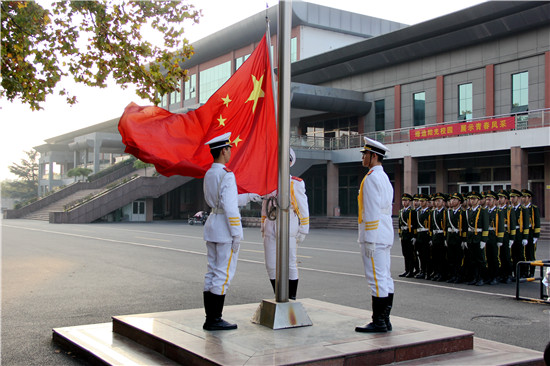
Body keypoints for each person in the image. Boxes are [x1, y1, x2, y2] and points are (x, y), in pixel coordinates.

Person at [201, 132, 261, 331]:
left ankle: (210, 318)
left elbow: (223, 201)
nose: (230, 152)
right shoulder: (227, 174)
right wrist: (237, 233)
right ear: (223, 150)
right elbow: (229, 206)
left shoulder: (210, 173)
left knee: (211, 272)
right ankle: (215, 319)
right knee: (223, 275)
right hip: (225, 230)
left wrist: (249, 196)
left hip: (212, 225)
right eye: (229, 149)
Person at [355, 137, 394, 333]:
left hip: (375, 234)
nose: (363, 157)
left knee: (376, 279)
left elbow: (370, 210)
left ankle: (378, 321)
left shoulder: (371, 178)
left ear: (374, 156)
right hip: (384, 232)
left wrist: (369, 239)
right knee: (385, 277)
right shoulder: (383, 176)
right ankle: (385, 320)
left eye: (365, 154)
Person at [261, 148, 309, 300]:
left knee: (290, 263)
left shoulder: (295, 183)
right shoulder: (268, 182)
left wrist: (303, 230)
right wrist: (263, 226)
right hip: (271, 225)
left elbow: (303, 207)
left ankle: (291, 297)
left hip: (289, 224)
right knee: (271, 264)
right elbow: (264, 207)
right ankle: (278, 295)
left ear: (290, 162)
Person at [465, 191, 489, 286]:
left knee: (480, 260)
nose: (472, 200)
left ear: (478, 201)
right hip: (471, 237)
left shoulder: (483, 211)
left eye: (474, 199)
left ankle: (482, 278)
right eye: (471, 199)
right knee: (472, 259)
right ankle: (474, 277)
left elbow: (485, 226)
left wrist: (484, 240)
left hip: (478, 237)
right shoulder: (469, 211)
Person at [485, 191, 504, 285]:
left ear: (495, 201)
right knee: (488, 257)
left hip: (494, 237)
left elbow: (500, 226)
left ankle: (496, 276)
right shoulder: (485, 211)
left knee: (495, 258)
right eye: (487, 199)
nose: (488, 201)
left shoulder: (498, 211)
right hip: (487, 237)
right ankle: (489, 276)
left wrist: (500, 239)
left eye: (490, 199)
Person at [446, 192, 465, 283]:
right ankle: (452, 275)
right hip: (450, 237)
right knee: (451, 258)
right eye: (452, 199)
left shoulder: (462, 213)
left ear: (459, 202)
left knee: (458, 258)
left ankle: (459, 276)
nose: (452, 201)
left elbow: (464, 227)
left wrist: (463, 240)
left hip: (458, 238)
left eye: (455, 200)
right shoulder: (449, 212)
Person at [510, 189, 529, 278]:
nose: (512, 199)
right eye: (511, 197)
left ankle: (523, 273)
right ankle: (515, 273)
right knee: (513, 255)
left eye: (513, 197)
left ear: (518, 198)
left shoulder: (523, 209)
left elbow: (526, 224)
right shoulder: (510, 209)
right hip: (512, 234)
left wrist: (525, 237)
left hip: (520, 234)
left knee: (521, 255)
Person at [521, 189, 540, 277]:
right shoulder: (522, 208)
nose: (523, 199)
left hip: (531, 233)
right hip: (524, 233)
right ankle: (524, 271)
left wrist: (536, 236)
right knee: (524, 253)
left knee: (531, 254)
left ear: (529, 198)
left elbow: (537, 222)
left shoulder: (533, 208)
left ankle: (531, 272)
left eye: (525, 197)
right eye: (522, 197)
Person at [497, 189, 515, 283]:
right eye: (499, 198)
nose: (499, 200)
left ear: (506, 199)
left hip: (506, 234)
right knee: (500, 256)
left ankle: (508, 274)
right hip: (498, 234)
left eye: (501, 198)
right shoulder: (497, 209)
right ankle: (501, 274)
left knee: (507, 256)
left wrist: (512, 238)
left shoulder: (509, 210)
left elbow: (512, 224)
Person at [398, 193, 417, 278]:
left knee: (410, 253)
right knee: (405, 253)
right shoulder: (401, 211)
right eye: (403, 200)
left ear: (409, 201)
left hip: (409, 235)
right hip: (404, 234)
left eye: (406, 200)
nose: (404, 202)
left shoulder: (412, 212)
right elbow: (400, 224)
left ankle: (411, 270)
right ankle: (407, 270)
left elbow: (415, 224)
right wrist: (400, 234)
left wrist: (414, 236)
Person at [430, 192, 447, 281]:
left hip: (441, 236)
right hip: (435, 236)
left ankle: (442, 273)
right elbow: (432, 225)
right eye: (436, 201)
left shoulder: (445, 212)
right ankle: (436, 272)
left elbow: (446, 226)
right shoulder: (434, 212)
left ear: (443, 203)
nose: (437, 203)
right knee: (435, 256)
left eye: (439, 201)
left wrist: (445, 238)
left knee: (441, 257)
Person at [415, 193, 431, 279]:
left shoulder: (429, 212)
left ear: (427, 202)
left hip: (426, 235)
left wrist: (430, 237)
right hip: (419, 236)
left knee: (427, 255)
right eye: (420, 201)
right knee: (421, 255)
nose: (420, 203)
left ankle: (428, 272)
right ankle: (422, 271)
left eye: (422, 201)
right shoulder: (418, 212)